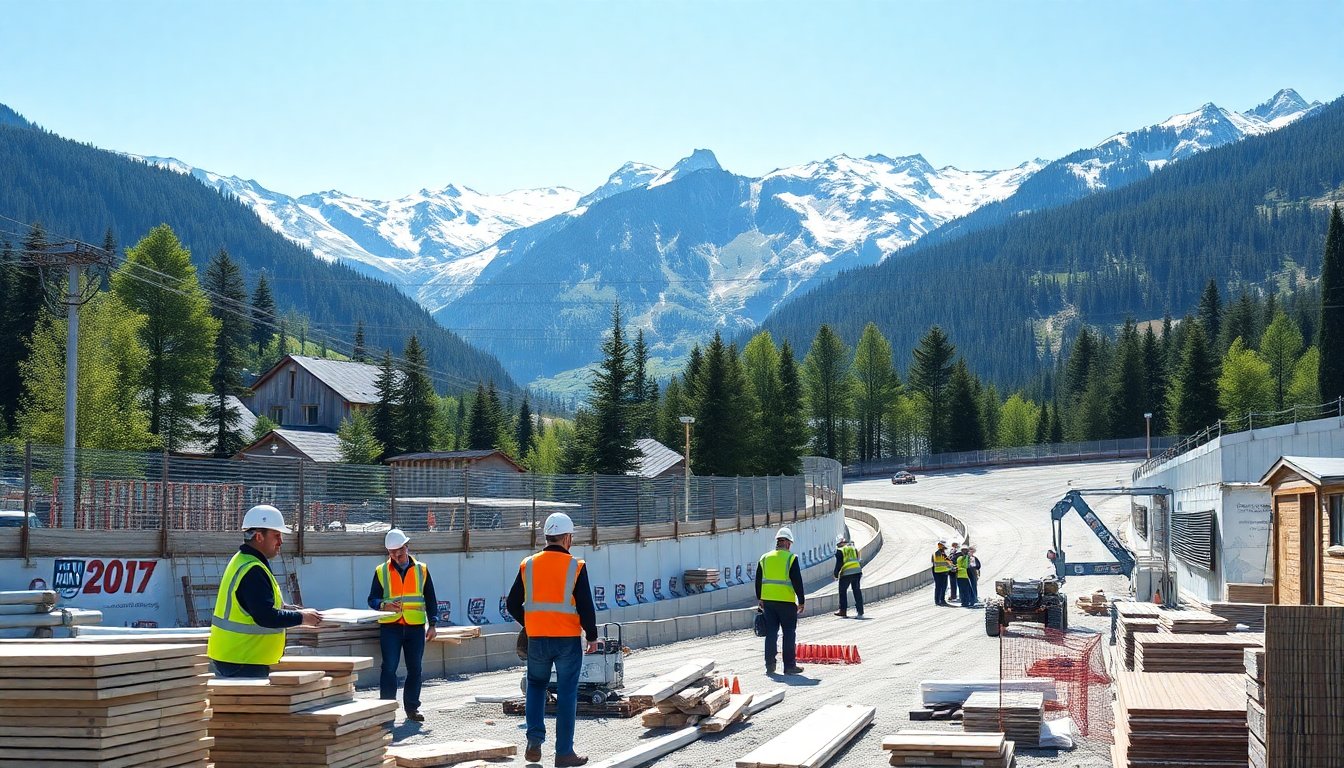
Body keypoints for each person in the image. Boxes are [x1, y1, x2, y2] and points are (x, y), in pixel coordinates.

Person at [505, 512, 598, 768]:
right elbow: (586, 607)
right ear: (567, 537)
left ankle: (534, 740)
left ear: (546, 536)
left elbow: (512, 603)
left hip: (537, 639)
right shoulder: (576, 566)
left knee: (536, 686)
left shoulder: (528, 564)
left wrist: (530, 622)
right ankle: (564, 753)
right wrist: (592, 636)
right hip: (567, 639)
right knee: (567, 692)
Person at [207, 504, 321, 678]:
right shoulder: (253, 570)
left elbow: (260, 606)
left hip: (239, 658)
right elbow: (265, 616)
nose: (281, 542)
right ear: (259, 536)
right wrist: (302, 618)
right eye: (276, 535)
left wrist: (294, 610)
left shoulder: (244, 562)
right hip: (244, 662)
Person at [368, 528, 439, 722]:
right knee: (389, 667)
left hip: (415, 627)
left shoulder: (421, 569)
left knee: (415, 668)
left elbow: (430, 598)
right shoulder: (381, 571)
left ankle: (412, 708)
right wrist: (383, 605)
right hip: (391, 627)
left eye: (399, 552)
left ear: (407, 547)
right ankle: (386, 710)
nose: (396, 556)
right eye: (392, 553)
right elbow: (372, 599)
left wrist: (433, 624)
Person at [756, 527, 805, 675]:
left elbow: (758, 581)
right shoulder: (791, 559)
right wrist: (801, 601)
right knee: (789, 633)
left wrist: (760, 598)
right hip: (786, 602)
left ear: (778, 542)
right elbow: (797, 581)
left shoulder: (764, 558)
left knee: (771, 633)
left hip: (769, 603)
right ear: (788, 544)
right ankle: (789, 666)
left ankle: (770, 666)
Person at [832, 533, 863, 618]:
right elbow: (858, 559)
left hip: (847, 573)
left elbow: (839, 564)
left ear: (838, 544)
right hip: (857, 571)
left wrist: (835, 574)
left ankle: (843, 611)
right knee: (857, 591)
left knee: (842, 591)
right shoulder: (853, 548)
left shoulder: (840, 550)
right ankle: (860, 611)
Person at [931, 541, 951, 606]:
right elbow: (945, 562)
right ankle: (938, 601)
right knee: (939, 587)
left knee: (944, 587)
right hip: (938, 573)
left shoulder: (943, 553)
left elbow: (948, 562)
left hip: (944, 572)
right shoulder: (937, 553)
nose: (944, 549)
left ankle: (942, 600)